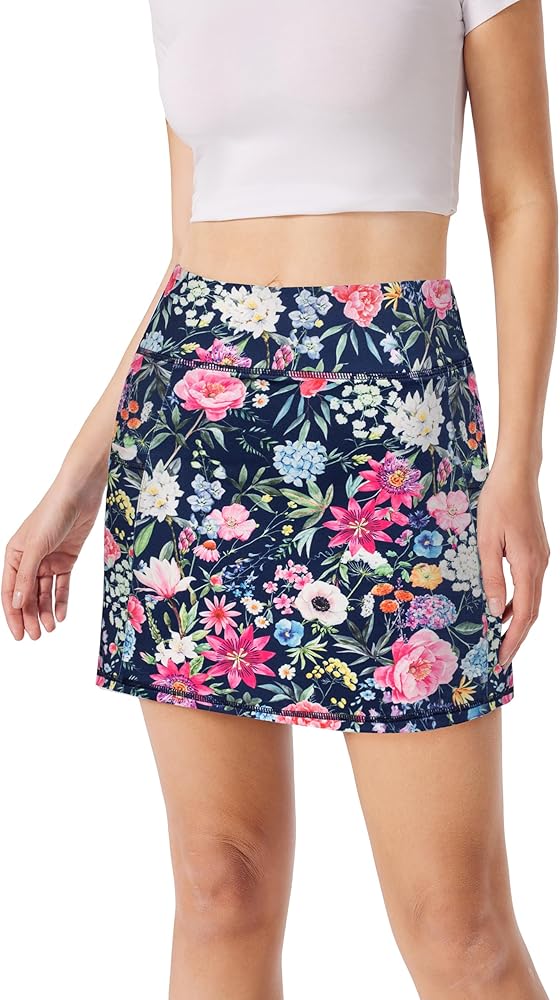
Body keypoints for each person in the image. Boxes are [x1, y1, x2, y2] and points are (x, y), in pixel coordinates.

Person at [2, 0, 556, 996]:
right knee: (223, 884)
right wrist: (75, 485)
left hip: (396, 434)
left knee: (457, 924)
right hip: (190, 442)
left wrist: (518, 460)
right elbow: (189, 258)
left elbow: (520, 198)